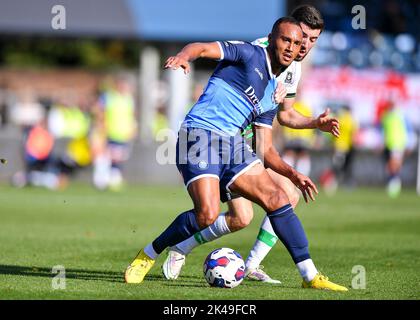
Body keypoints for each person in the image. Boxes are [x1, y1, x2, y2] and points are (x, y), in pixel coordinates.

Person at [125, 16, 347, 291]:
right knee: (206, 214)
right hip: (199, 134)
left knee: (278, 197)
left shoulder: (272, 94)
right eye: (285, 40)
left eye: (297, 43)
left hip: (232, 145)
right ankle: (149, 254)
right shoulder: (248, 53)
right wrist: (184, 56)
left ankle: (310, 276)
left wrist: (293, 174)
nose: (291, 47)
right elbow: (202, 48)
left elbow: (264, 148)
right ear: (272, 38)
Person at [380, 100, 408, 197]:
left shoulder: (400, 115)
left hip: (397, 143)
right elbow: (383, 130)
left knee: (394, 164)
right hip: (389, 143)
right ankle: (393, 181)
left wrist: (407, 143)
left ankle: (394, 183)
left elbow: (406, 129)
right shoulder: (386, 116)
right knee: (389, 165)